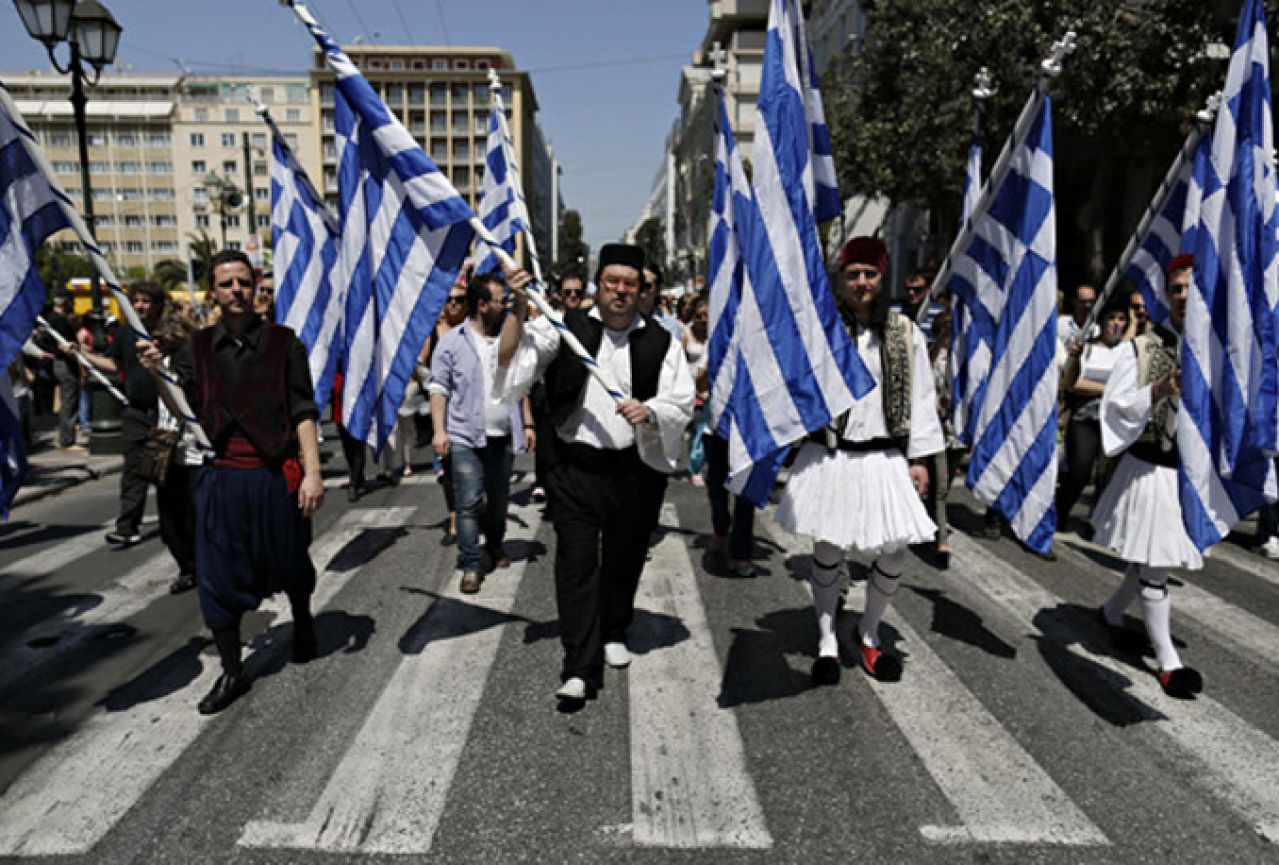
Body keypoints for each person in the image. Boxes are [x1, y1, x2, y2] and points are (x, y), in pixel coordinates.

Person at [496, 244, 694, 704]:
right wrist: (519, 306)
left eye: (630, 284)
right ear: (597, 285)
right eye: (612, 283)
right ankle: (579, 667)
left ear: (640, 289)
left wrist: (650, 409)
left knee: (624, 560)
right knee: (576, 566)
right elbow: (512, 364)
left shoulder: (660, 340)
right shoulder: (564, 328)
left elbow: (681, 400)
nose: (621, 292)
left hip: (634, 471)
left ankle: (614, 628)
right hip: (575, 471)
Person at [141, 249, 324, 714]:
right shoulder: (196, 349)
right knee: (217, 578)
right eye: (227, 284)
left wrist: (313, 474)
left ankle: (303, 623)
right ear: (214, 292)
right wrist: (155, 374)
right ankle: (232, 670)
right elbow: (181, 407)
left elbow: (303, 410)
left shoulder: (286, 343)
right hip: (221, 480)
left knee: (290, 562)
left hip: (274, 478)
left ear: (257, 286)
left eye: (244, 282)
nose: (236, 291)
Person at [775, 237, 943, 685]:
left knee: (894, 549)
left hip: (886, 455)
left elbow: (923, 397)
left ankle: (868, 630)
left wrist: (921, 458)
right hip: (833, 454)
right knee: (829, 548)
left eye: (869, 274)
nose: (862, 282)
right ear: (842, 279)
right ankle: (827, 638)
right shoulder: (824, 328)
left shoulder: (905, 333)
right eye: (853, 275)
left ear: (881, 276)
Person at [1091, 255, 1204, 698]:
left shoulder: (1213, 351)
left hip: (1188, 473)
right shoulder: (1138, 349)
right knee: (1155, 566)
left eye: (1190, 288)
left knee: (1151, 557)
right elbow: (1115, 407)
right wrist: (1157, 390)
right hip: (1152, 470)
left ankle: (1110, 612)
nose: (1182, 296)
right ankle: (1168, 662)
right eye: (1175, 288)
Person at [429, 273, 532, 593]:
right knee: (469, 501)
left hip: (501, 435)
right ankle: (471, 564)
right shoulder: (452, 343)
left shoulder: (508, 335)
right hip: (463, 436)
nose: (503, 306)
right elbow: (438, 388)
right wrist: (438, 431)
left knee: (499, 502)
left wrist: (527, 424)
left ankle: (495, 544)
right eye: (500, 300)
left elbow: (520, 380)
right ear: (482, 304)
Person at [68, 282, 168, 546]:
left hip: (164, 416)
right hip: (136, 413)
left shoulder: (167, 334)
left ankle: (175, 527)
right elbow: (114, 364)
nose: (140, 306)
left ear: (158, 304)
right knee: (133, 472)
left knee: (163, 474)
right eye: (136, 301)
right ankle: (127, 527)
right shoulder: (126, 334)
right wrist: (83, 355)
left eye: (146, 301)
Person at [1057, 294, 1130, 532]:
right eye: (1111, 318)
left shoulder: (1127, 352)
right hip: (1084, 419)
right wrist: (1108, 389)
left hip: (1114, 420)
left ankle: (1095, 521)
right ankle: (1059, 511)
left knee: (1106, 476)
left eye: (1121, 319)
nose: (1116, 323)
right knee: (1080, 470)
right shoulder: (1087, 349)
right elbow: (1072, 382)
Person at [151, 312, 203, 594]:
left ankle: (202, 565)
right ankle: (187, 566)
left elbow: (181, 403)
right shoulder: (163, 362)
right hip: (166, 445)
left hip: (194, 447)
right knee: (170, 516)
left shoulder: (191, 362)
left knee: (194, 513)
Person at [40, 294, 83, 451]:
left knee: (67, 400)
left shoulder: (50, 320)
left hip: (59, 362)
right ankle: (67, 440)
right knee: (69, 400)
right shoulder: (59, 320)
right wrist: (59, 350)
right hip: (65, 362)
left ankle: (66, 437)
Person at [640, 263, 684, 339]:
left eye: (647, 286)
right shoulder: (620, 321)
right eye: (638, 284)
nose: (641, 289)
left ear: (658, 290)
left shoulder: (670, 325)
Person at [1057, 282, 1098, 348]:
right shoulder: (1060, 324)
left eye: (1091, 301)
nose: (1087, 305)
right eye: (1083, 302)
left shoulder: (1097, 331)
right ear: (1075, 302)